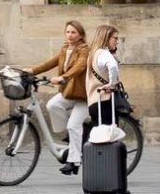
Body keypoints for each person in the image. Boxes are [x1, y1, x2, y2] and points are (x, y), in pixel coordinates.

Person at [29, 19, 89, 175]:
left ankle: (74, 162)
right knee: (52, 105)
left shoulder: (84, 49)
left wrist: (64, 77)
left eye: (73, 32)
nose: (70, 35)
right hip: (69, 93)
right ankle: (71, 135)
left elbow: (80, 65)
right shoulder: (65, 49)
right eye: (68, 32)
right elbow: (50, 64)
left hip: (84, 96)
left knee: (74, 125)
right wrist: (32, 71)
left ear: (80, 34)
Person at [81, 23, 123, 169]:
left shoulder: (94, 53)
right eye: (115, 38)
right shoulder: (104, 53)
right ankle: (110, 172)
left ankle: (97, 168)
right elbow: (112, 66)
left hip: (93, 101)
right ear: (106, 37)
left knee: (98, 138)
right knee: (109, 138)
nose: (117, 41)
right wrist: (112, 84)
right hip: (104, 101)